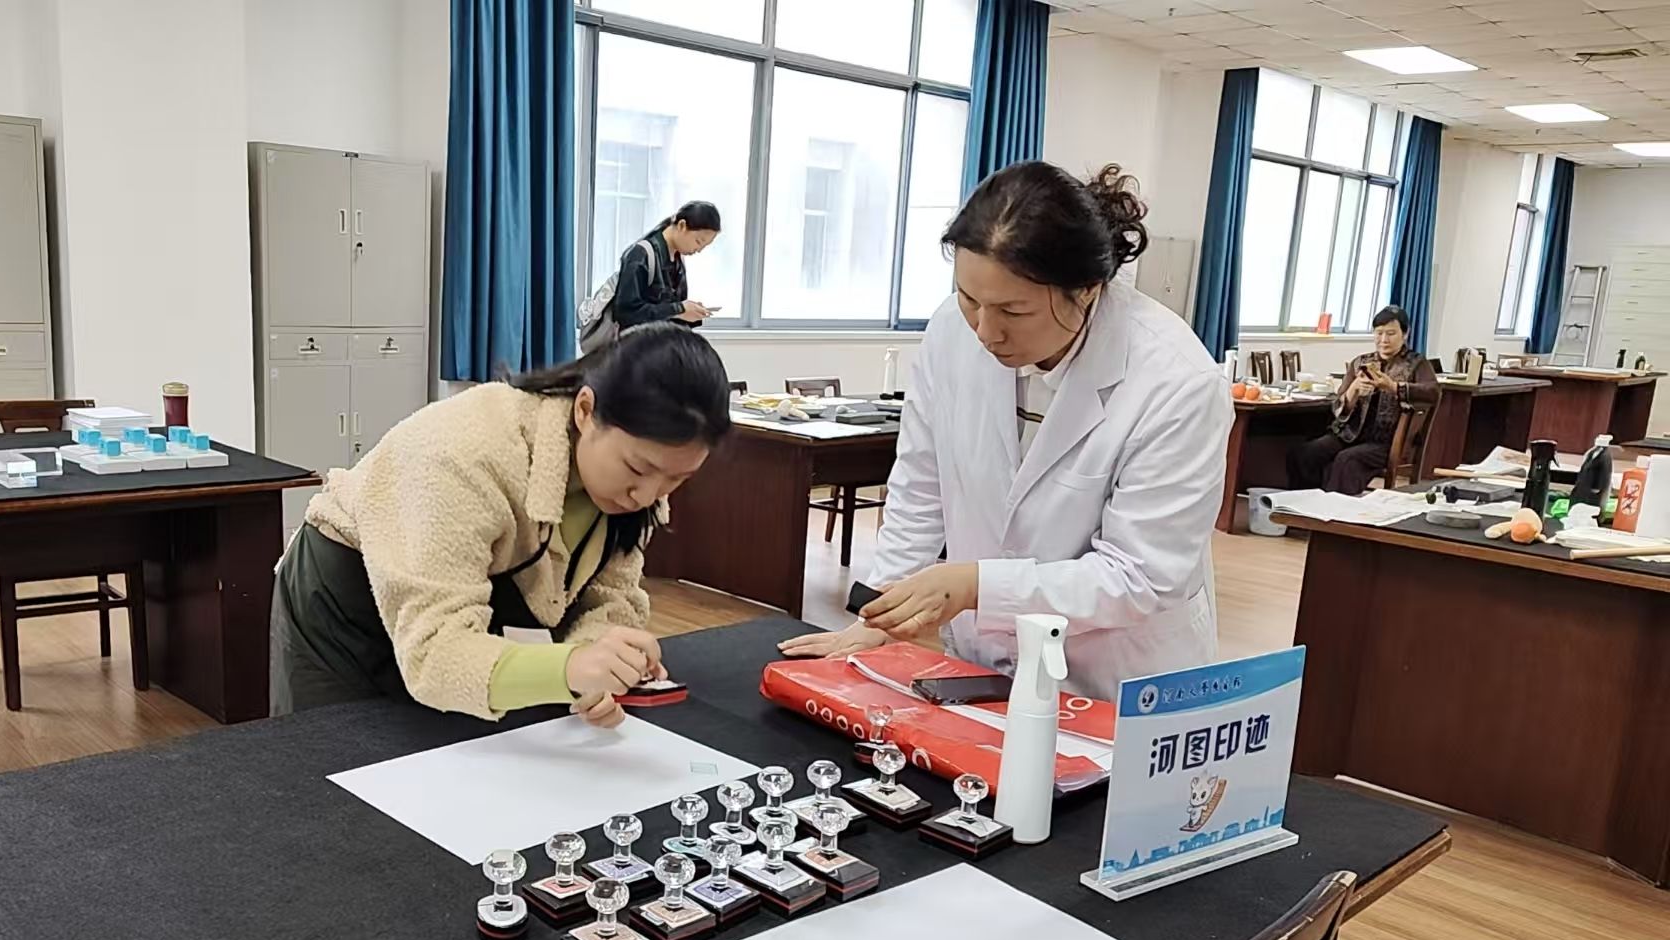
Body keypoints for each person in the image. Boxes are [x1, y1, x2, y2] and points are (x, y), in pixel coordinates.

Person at [779, 162, 1233, 701]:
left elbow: (1139, 576)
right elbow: (922, 483)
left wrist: (975, 585)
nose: (985, 331)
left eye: (1013, 311)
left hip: (1116, 675)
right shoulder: (952, 331)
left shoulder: (1177, 381)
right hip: (986, 661)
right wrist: (881, 612)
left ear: (1087, 290)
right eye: (969, 299)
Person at [271, 323, 732, 727]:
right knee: (336, 768)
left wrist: (599, 668)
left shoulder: (626, 488)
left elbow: (610, 598)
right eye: (637, 468)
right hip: (348, 608)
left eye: (678, 478)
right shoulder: (464, 455)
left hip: (465, 606)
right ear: (585, 410)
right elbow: (435, 655)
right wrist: (569, 667)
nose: (648, 496)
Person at [1287, 306, 1437, 495]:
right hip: (1349, 435)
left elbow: (1433, 392)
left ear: (1405, 334)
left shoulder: (1417, 364)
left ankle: (1334, 510)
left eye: (1391, 333)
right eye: (1379, 333)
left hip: (1386, 442)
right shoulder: (1360, 362)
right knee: (1305, 453)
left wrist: (1393, 386)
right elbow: (1337, 407)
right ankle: (1304, 505)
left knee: (1346, 460)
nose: (1384, 340)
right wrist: (1354, 389)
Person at [612, 202, 721, 331]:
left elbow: (670, 313)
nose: (699, 250)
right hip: (639, 342)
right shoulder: (641, 254)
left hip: (664, 340)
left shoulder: (678, 260)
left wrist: (691, 312)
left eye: (704, 246)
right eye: (698, 241)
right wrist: (679, 309)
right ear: (682, 225)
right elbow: (626, 313)